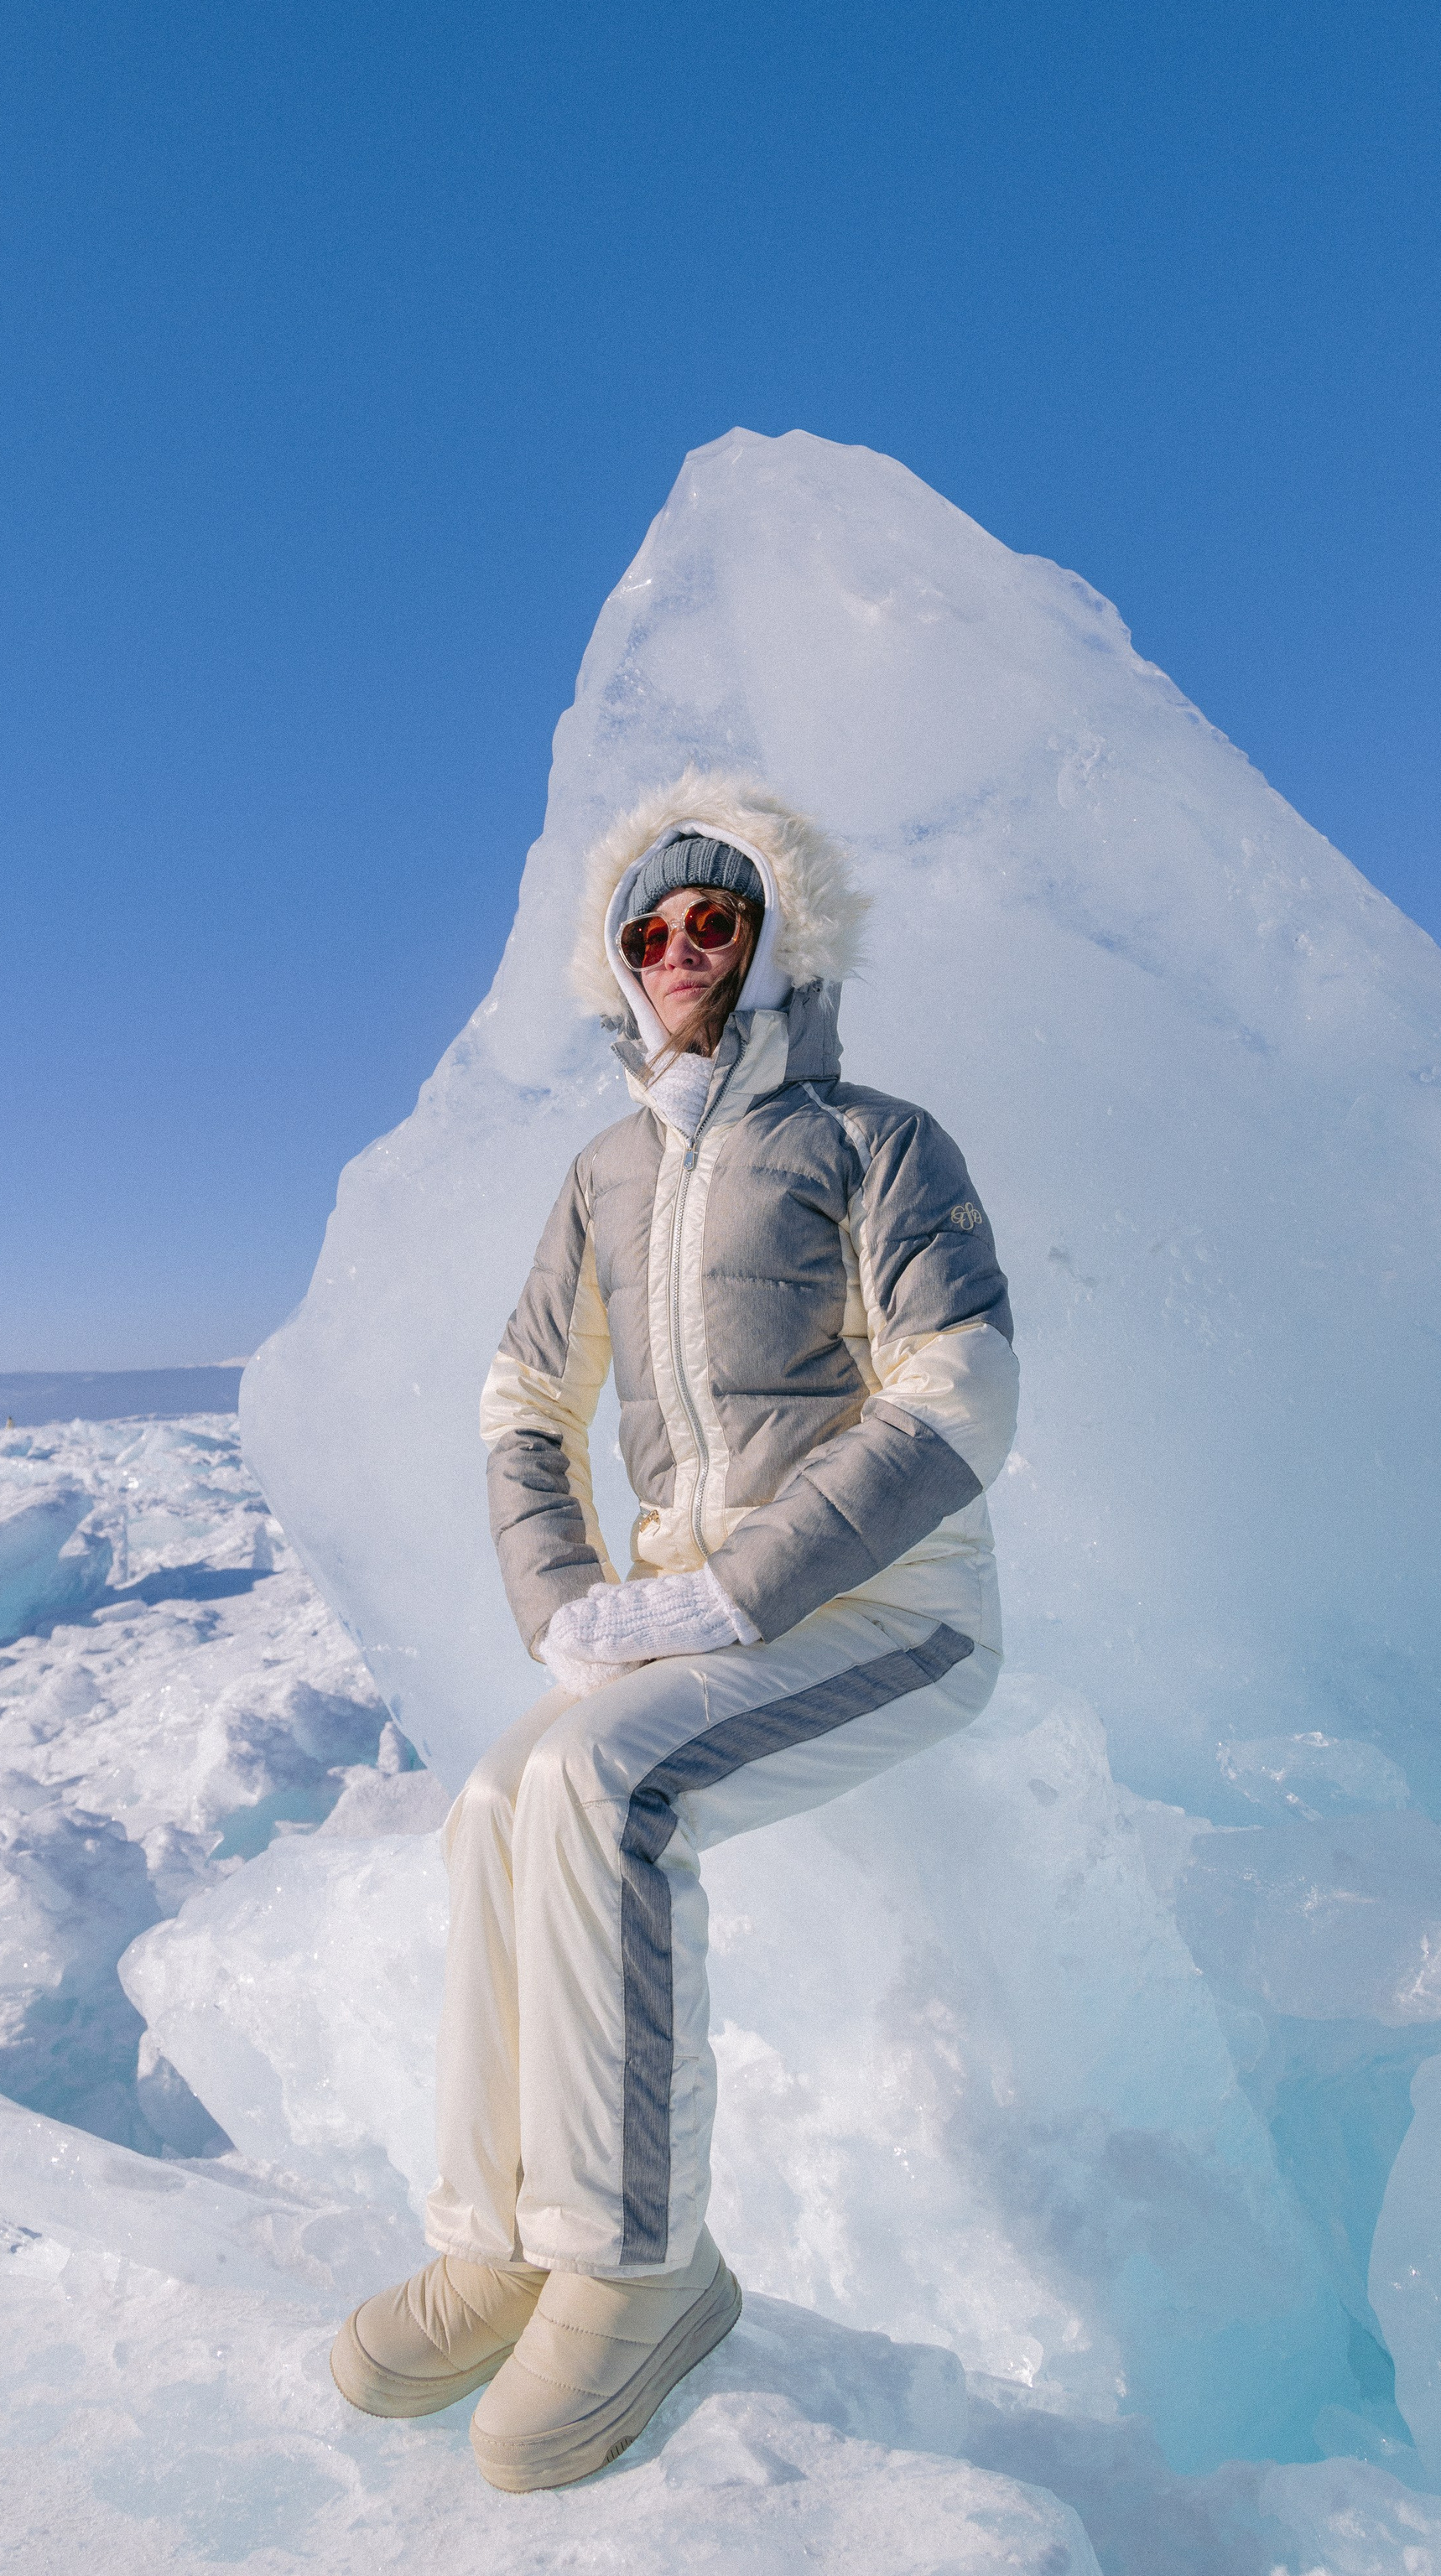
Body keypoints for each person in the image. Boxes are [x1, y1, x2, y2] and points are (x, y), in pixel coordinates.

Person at [331, 776, 1019, 2492]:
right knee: (499, 1800)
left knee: (609, 1795)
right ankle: (503, 2235)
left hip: (885, 1609)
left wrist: (736, 1589)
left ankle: (644, 2268)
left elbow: (961, 1392)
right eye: (649, 928)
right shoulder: (603, 1174)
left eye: (713, 917)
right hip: (685, 1617)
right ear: (617, 967)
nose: (681, 947)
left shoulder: (878, 1141)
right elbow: (520, 1397)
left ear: (773, 936)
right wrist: (562, 1598)